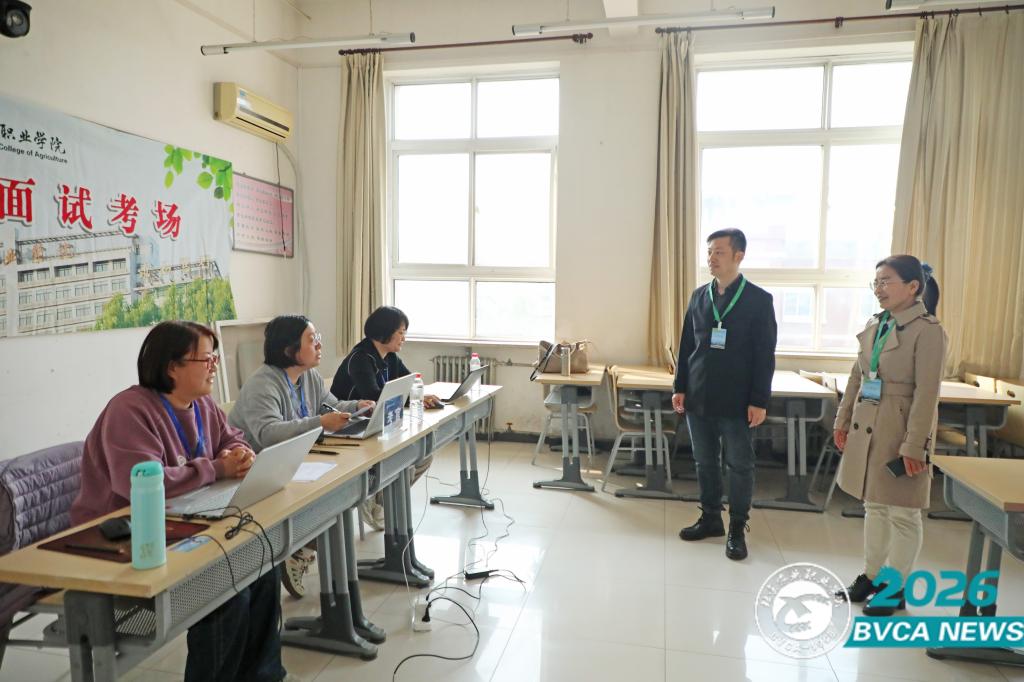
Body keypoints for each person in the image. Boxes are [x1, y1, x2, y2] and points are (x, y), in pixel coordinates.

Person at [69, 321, 287, 682]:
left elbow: (231, 437)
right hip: (125, 536)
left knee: (262, 562)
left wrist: (239, 452)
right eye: (206, 359)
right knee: (227, 588)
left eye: (215, 357)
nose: (215, 366)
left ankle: (264, 676)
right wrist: (216, 468)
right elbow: (140, 480)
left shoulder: (202, 404)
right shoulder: (129, 410)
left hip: (185, 521)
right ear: (172, 366)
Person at [230, 315, 373, 598]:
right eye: (312, 339)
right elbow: (268, 434)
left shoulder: (309, 376)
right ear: (289, 349)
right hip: (260, 472)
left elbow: (332, 406)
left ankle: (303, 550)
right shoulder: (263, 384)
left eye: (318, 337)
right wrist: (320, 423)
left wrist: (358, 405)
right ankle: (300, 549)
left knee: (340, 492)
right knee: (331, 500)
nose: (319, 344)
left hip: (297, 461)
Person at [833, 256, 945, 616]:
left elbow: (927, 394)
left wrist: (914, 445)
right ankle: (872, 575)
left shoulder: (928, 331)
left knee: (904, 513)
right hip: (868, 423)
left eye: (887, 281)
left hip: (902, 427)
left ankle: (894, 587)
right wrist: (842, 419)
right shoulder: (876, 323)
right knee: (875, 505)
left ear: (913, 287)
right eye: (876, 282)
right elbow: (857, 375)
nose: (879, 289)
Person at [672, 228, 778, 561]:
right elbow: (687, 346)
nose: (711, 258)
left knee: (739, 465)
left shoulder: (758, 300)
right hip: (699, 394)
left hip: (738, 399)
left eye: (719, 252)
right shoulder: (699, 296)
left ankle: (737, 527)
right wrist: (680, 386)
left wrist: (759, 400)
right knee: (704, 461)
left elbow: (765, 355)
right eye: (709, 252)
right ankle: (710, 518)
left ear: (738, 256)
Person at [331, 306, 440, 529]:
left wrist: (421, 396)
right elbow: (374, 397)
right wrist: (411, 398)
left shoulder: (390, 357)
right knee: (405, 461)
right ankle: (371, 497)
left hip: (378, 424)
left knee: (423, 455)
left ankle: (379, 500)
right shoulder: (360, 358)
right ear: (385, 332)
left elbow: (409, 383)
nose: (404, 338)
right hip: (351, 427)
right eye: (401, 332)